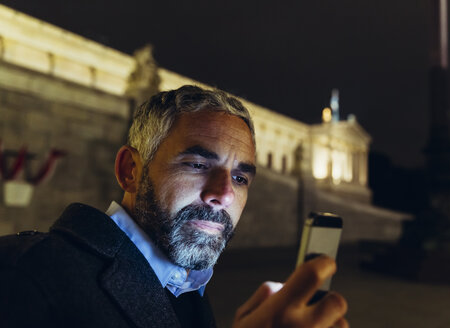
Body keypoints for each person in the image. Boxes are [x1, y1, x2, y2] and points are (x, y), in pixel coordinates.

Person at [0, 85, 348, 328]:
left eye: (241, 178)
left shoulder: (186, 284)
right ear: (130, 171)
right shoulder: (22, 274)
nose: (223, 194)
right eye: (197, 165)